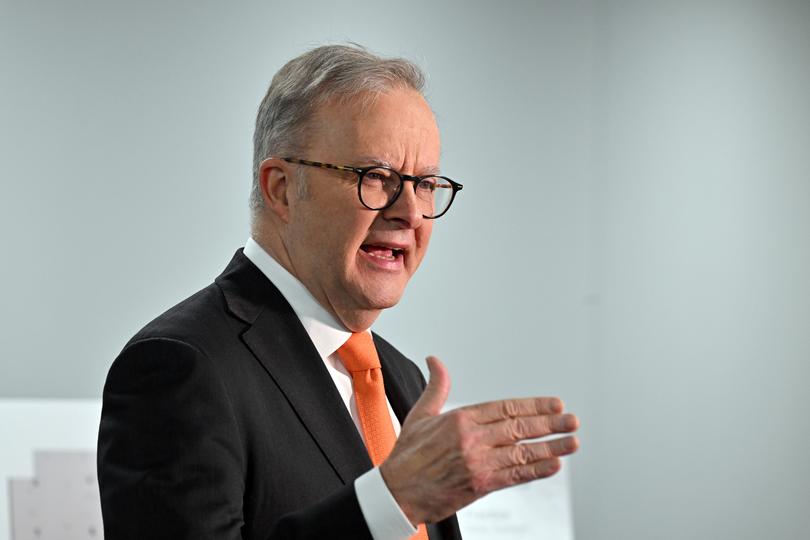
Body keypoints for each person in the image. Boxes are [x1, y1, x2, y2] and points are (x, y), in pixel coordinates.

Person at [97, 44, 580, 540]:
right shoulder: (180, 366)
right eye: (377, 178)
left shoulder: (402, 377)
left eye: (426, 185)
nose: (410, 213)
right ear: (281, 188)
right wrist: (391, 502)